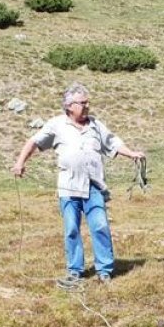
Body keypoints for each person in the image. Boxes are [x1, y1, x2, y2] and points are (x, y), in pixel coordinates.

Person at [12, 82, 145, 289]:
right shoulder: (56, 125)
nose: (87, 105)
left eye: (87, 102)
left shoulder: (95, 125)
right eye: (83, 103)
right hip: (68, 187)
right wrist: (20, 163)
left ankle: (105, 271)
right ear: (70, 106)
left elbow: (113, 143)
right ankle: (75, 271)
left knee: (100, 225)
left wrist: (132, 154)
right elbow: (34, 142)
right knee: (71, 229)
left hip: (93, 186)